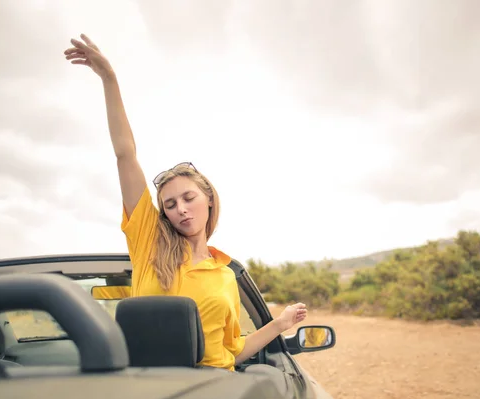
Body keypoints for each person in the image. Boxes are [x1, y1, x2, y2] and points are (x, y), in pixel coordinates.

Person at [63, 34, 308, 371]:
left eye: (188, 197)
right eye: (169, 204)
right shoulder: (149, 243)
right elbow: (125, 154)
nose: (180, 208)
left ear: (209, 199)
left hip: (213, 390)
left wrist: (280, 325)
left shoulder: (225, 274)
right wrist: (109, 78)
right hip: (149, 386)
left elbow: (232, 352)